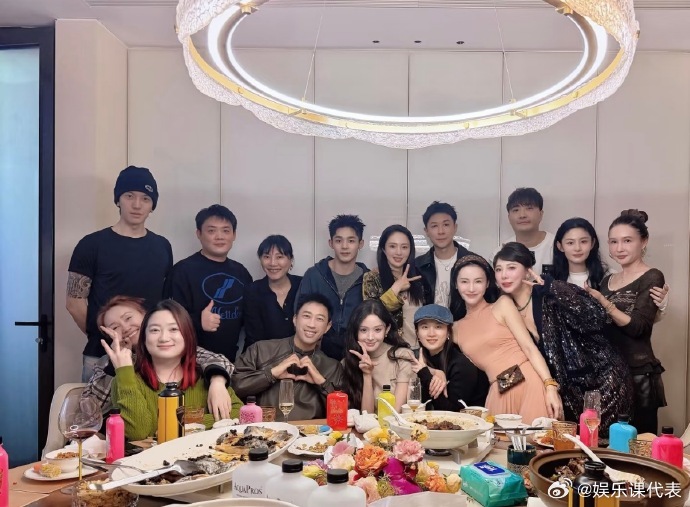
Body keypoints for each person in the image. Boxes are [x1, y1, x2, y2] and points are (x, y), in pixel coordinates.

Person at [494, 242, 633, 435]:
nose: (504, 275)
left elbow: (596, 316)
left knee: (605, 445)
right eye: (498, 269)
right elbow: (525, 354)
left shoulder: (551, 292)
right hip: (568, 392)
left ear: (527, 271)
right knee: (572, 448)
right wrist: (498, 386)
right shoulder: (507, 307)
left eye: (511, 268)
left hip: (603, 382)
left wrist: (552, 287)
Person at [67, 166, 173, 382]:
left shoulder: (162, 246)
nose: (137, 205)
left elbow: (164, 300)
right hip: (102, 355)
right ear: (118, 200)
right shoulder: (91, 244)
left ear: (152, 205)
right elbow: (74, 302)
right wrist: (105, 335)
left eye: (145, 198)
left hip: (151, 355)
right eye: (129, 196)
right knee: (96, 406)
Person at [105, 299, 243, 441]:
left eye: (173, 329)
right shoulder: (125, 381)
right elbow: (138, 433)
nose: (164, 338)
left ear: (187, 335)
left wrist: (178, 422)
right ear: (144, 338)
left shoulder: (206, 378)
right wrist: (124, 373)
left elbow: (239, 412)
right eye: (154, 330)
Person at [83, 295, 237, 420]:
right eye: (115, 327)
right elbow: (90, 411)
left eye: (128, 318)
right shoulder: (105, 364)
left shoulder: (174, 348)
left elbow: (219, 361)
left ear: (145, 316)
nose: (125, 327)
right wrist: (116, 365)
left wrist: (217, 381)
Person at [450, 254, 562, 422]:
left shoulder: (502, 305)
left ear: (487, 283)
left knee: (535, 437)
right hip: (499, 389)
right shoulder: (455, 329)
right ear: (456, 284)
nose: (471, 288)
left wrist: (550, 386)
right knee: (498, 439)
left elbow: (529, 348)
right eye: (464, 282)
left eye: (478, 281)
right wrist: (436, 373)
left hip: (528, 381)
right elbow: (438, 356)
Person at [585, 210, 667, 434]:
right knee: (608, 443)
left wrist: (604, 303)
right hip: (609, 375)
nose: (619, 248)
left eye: (627, 241)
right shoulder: (607, 280)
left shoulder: (652, 276)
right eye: (614, 242)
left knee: (638, 443)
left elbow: (638, 327)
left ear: (644, 242)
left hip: (638, 374)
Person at [233, 294, 344, 420]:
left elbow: (342, 414)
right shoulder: (261, 350)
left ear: (327, 327)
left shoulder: (332, 367)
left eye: (319, 319)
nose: (312, 324)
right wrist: (271, 374)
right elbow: (234, 387)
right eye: (306, 316)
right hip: (265, 429)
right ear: (295, 319)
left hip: (311, 431)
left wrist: (321, 383)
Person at [164, 205, 252, 362]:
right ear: (199, 234)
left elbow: (250, 317)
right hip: (188, 361)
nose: (219, 237)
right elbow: (167, 317)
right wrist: (198, 321)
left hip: (229, 361)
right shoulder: (182, 271)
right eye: (211, 231)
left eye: (226, 231)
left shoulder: (241, 272)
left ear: (234, 235)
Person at [553, 217, 669, 312]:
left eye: (583, 241)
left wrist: (660, 306)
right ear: (560, 246)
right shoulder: (550, 279)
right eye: (570, 243)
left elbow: (636, 321)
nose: (577, 248)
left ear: (592, 243)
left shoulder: (608, 277)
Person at [295, 215, 368, 360]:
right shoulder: (314, 275)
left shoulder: (369, 279)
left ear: (361, 244)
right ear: (331, 243)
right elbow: (300, 314)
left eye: (351, 241)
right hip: (315, 356)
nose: (345, 246)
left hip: (356, 357)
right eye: (338, 240)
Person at [411, 304, 489, 412]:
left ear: (448, 332)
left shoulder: (461, 364)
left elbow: (451, 412)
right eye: (425, 327)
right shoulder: (418, 359)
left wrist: (425, 373)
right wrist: (432, 371)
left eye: (438, 327)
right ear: (417, 333)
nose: (431, 334)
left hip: (467, 420)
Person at [363, 225, 429, 349]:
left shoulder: (418, 278)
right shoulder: (372, 278)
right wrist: (396, 288)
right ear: (383, 249)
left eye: (404, 247)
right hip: (389, 350)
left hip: (418, 349)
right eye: (392, 246)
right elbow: (371, 315)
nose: (399, 252)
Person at [342, 300, 414, 412]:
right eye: (363, 330)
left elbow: (396, 413)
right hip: (364, 423)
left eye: (377, 330)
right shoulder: (348, 362)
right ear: (356, 331)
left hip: (394, 421)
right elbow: (366, 415)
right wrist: (367, 374)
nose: (370, 337)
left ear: (387, 329)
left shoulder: (402, 356)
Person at [243, 235, 302, 349]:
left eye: (279, 257)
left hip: (300, 355)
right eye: (266, 257)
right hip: (262, 355)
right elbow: (254, 337)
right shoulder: (252, 291)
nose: (273, 263)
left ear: (291, 260)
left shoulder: (303, 285)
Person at [415, 201, 471, 307]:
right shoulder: (417, 266)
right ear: (426, 231)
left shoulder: (473, 263)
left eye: (446, 225)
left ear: (455, 227)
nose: (441, 231)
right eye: (434, 226)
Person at [492, 187, 555, 276]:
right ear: (509, 217)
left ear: (541, 214)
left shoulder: (558, 247)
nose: (522, 215)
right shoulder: (499, 253)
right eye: (516, 210)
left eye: (529, 208)